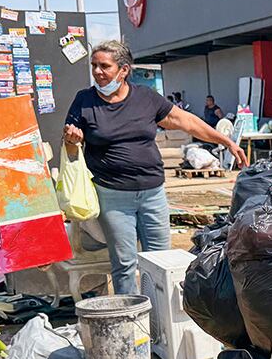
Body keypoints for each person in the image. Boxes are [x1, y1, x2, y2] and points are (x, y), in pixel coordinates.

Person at [64, 40, 247, 295]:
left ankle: (159, 322)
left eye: (104, 66)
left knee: (161, 261)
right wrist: (73, 141)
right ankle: (130, 324)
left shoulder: (146, 98)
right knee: (125, 263)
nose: (97, 71)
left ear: (123, 70)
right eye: (94, 65)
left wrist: (226, 141)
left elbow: (187, 122)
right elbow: (70, 147)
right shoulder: (84, 101)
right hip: (113, 195)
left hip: (153, 193)